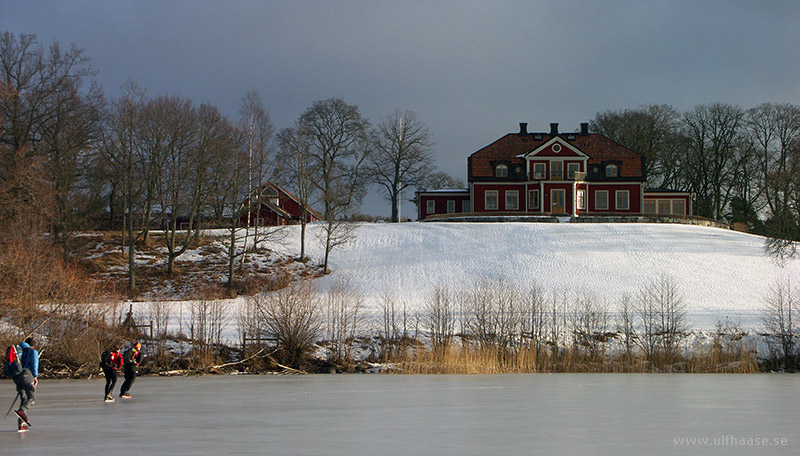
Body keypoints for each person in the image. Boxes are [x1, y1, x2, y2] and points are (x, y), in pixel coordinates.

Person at [13, 338, 39, 431]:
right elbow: (34, 364)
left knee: (23, 398)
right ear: (32, 345)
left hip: (17, 377)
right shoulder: (32, 351)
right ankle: (22, 410)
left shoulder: (18, 350)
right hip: (27, 375)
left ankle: (22, 423)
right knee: (31, 398)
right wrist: (35, 376)